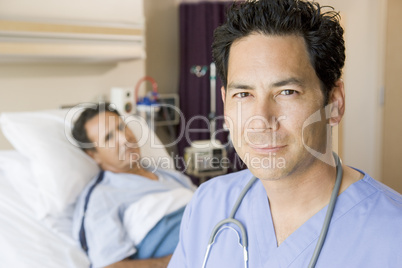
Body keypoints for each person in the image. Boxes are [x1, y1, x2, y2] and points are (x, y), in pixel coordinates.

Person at [168, 0, 402, 267]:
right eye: (243, 94)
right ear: (225, 103)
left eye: (287, 92)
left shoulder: (393, 235)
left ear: (334, 103)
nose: (261, 120)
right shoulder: (207, 205)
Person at [71, 103, 196, 268]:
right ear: (94, 155)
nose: (124, 139)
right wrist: (184, 259)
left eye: (121, 127)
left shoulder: (168, 175)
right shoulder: (101, 198)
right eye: (109, 138)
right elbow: (111, 266)